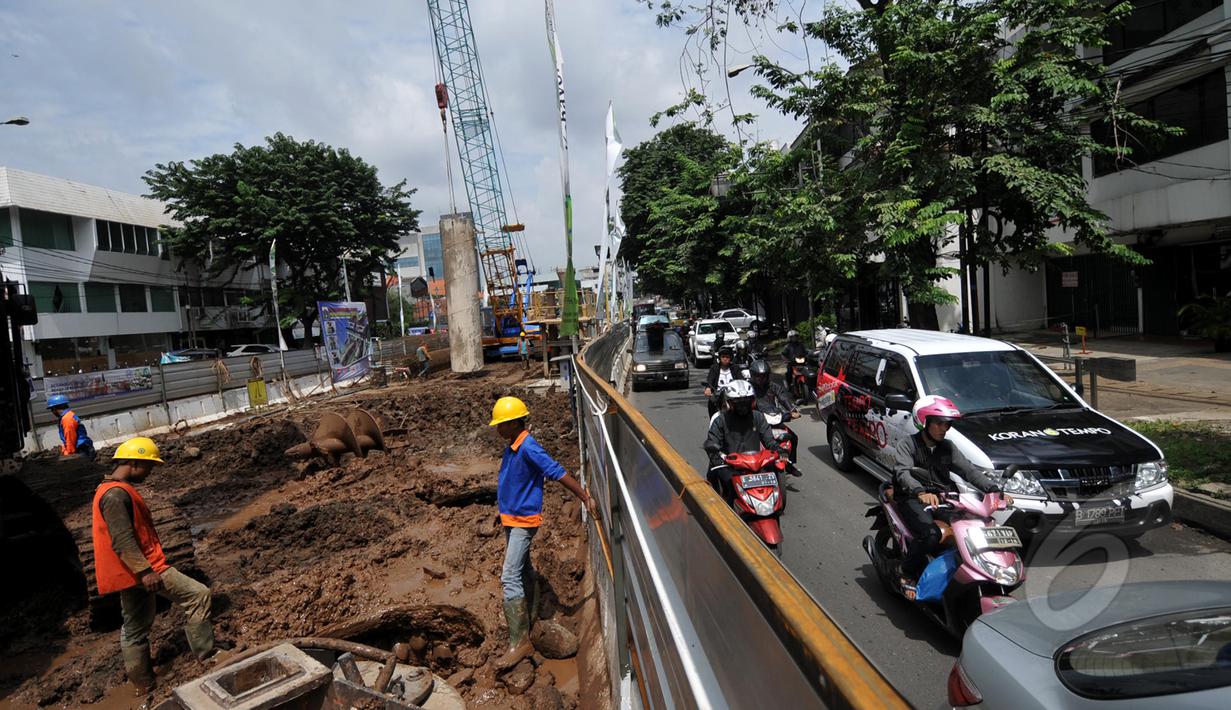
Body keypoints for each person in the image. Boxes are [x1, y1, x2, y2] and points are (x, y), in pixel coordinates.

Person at [91, 437, 220, 692]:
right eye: (149, 466)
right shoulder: (116, 495)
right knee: (198, 595)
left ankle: (142, 683)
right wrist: (146, 571)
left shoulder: (111, 490)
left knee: (135, 627)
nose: (150, 473)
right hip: (145, 568)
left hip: (126, 572)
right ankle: (208, 657)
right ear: (135, 463)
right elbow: (123, 540)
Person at [489, 396, 599, 670]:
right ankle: (531, 615)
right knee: (524, 570)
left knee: (510, 575)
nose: (497, 429)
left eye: (501, 424)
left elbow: (556, 471)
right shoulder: (512, 446)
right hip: (511, 518)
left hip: (524, 521)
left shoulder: (528, 446)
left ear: (515, 423)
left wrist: (584, 497)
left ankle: (519, 642)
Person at [892, 396, 1011, 599]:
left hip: (944, 498)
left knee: (972, 529)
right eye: (939, 423)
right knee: (931, 535)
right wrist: (920, 492)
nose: (943, 429)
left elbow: (969, 471)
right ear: (925, 421)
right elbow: (902, 473)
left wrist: (994, 489)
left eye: (947, 424)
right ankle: (906, 570)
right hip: (912, 498)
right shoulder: (908, 445)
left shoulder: (948, 447)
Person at [702, 380, 777, 499]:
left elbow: (769, 439)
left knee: (774, 479)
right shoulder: (720, 420)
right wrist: (718, 459)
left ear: (752, 402)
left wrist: (777, 448)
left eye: (746, 402)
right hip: (730, 467)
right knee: (715, 480)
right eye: (738, 403)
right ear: (730, 403)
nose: (743, 406)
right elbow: (712, 441)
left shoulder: (758, 417)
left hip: (756, 465)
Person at [748, 359, 801, 473]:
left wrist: (792, 410)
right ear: (752, 375)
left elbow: (783, 398)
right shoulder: (747, 387)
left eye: (763, 376)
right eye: (758, 376)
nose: (760, 379)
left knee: (793, 437)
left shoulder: (773, 386)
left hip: (773, 417)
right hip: (755, 420)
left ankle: (790, 464)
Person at [48, 394, 95, 459]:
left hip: (82, 451)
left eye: (52, 410)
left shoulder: (67, 418)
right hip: (83, 449)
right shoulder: (68, 415)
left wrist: (69, 455)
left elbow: (70, 437)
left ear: (54, 408)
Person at [704, 346, 743, 417]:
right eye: (723, 357)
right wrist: (708, 388)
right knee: (712, 403)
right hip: (718, 398)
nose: (725, 359)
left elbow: (741, 381)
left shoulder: (735, 368)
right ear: (719, 358)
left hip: (733, 398)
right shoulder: (714, 368)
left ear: (731, 358)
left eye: (727, 357)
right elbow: (710, 380)